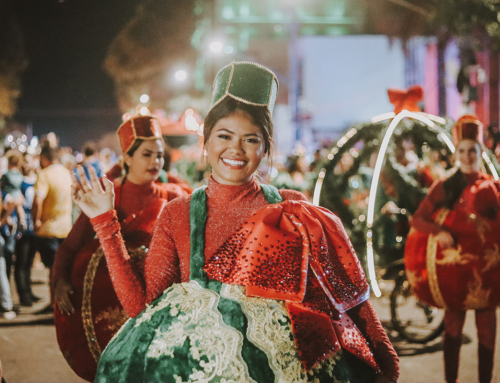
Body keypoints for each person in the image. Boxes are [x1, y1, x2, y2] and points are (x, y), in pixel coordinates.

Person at [73, 62, 399, 383]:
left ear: (265, 147)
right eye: (225, 135)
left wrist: (387, 365)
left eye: (251, 139)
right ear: (207, 141)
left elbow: (350, 301)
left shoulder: (295, 209)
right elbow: (139, 307)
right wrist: (105, 221)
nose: (236, 149)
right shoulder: (178, 214)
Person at [52, 113, 189, 382]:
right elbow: (70, 246)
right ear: (127, 157)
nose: (155, 161)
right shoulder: (107, 195)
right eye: (147, 154)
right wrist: (58, 280)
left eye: (159, 155)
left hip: (157, 308)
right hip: (109, 309)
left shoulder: (174, 196)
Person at [408, 114, 500, 383]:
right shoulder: (445, 186)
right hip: (454, 275)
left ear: (481, 151)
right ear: (456, 152)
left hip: (486, 276)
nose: (467, 155)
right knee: (453, 329)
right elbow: (418, 218)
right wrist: (441, 232)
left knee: (487, 333)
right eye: (462, 150)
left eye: (473, 150)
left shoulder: (492, 186)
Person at [32, 145, 73, 307]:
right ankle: (62, 304)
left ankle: (53, 304)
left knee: (53, 270)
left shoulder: (44, 175)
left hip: (48, 229)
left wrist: (36, 220)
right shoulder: (66, 174)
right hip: (66, 228)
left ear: (44, 158)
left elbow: (37, 200)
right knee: (63, 270)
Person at [14, 152, 39, 306]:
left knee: (29, 261)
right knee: (21, 262)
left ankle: (29, 292)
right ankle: (23, 295)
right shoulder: (18, 181)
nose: (25, 164)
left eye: (28, 161)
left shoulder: (37, 180)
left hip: (34, 228)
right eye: (23, 162)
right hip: (22, 227)